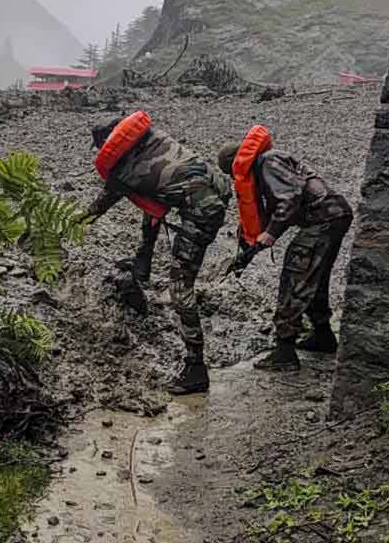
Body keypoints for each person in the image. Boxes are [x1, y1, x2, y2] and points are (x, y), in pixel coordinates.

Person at [85, 110, 231, 395]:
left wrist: (70, 222)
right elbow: (153, 203)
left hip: (202, 212)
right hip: (218, 190)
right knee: (151, 209)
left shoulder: (121, 170)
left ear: (108, 145)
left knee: (180, 288)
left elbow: (100, 206)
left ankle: (195, 368)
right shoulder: (153, 140)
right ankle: (143, 266)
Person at [217, 126, 353, 372]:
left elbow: (289, 199)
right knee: (314, 278)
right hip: (333, 216)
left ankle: (285, 352)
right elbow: (278, 208)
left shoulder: (267, 162)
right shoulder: (269, 163)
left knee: (294, 277)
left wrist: (270, 233)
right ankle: (323, 336)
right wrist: (249, 250)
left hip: (323, 220)